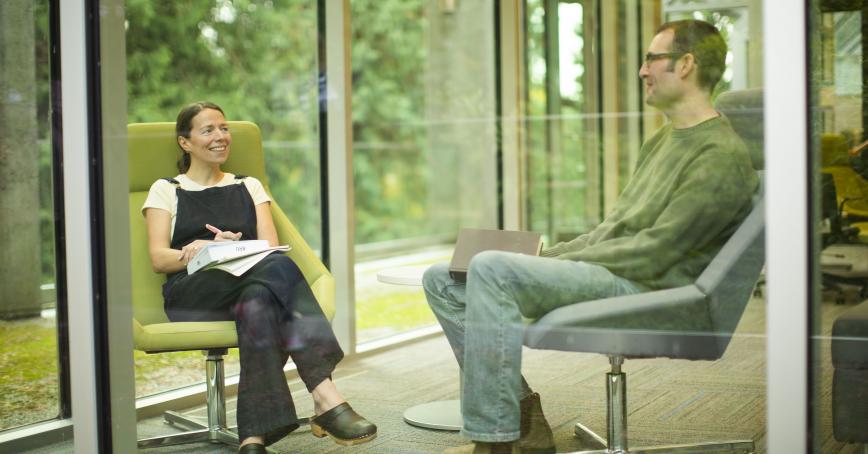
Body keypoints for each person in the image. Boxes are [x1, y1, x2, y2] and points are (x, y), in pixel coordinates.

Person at [423, 19, 759, 454]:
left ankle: (494, 441)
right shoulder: (662, 142)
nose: (643, 70)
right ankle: (522, 415)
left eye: (652, 58)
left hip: (656, 291)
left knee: (491, 269)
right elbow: (611, 230)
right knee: (443, 279)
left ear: (687, 64)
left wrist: (555, 267)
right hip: (621, 275)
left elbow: (659, 252)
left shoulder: (720, 154)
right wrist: (545, 257)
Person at [142, 102, 377, 454]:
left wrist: (233, 249)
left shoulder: (248, 185)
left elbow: (268, 246)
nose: (220, 136)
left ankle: (252, 439)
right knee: (280, 271)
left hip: (249, 284)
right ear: (185, 142)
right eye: (208, 130)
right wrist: (205, 249)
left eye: (224, 128)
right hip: (194, 294)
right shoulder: (167, 189)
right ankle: (325, 395)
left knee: (259, 301)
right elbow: (159, 259)